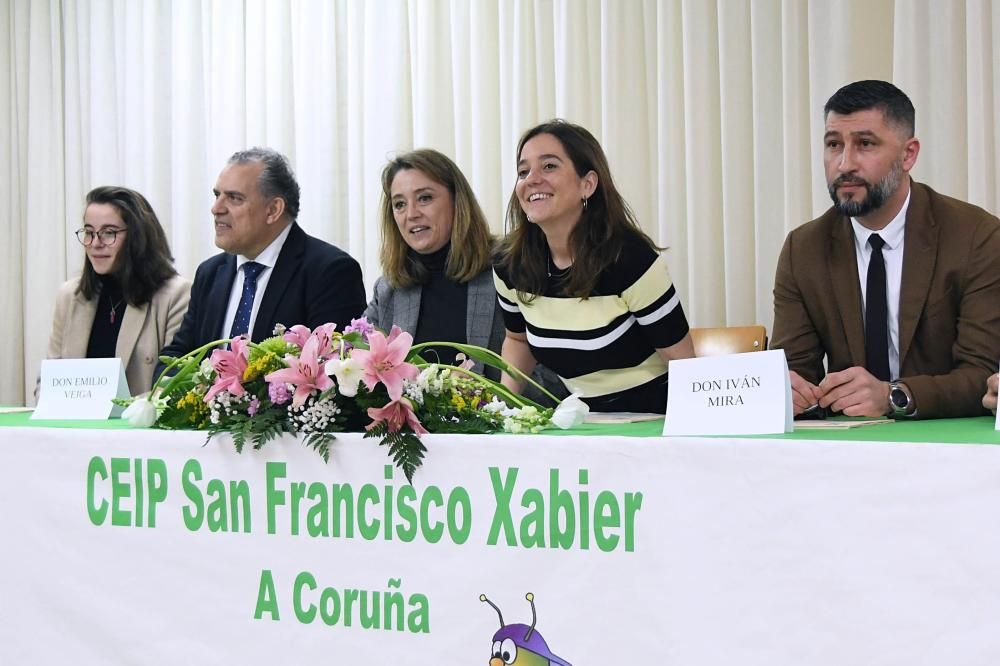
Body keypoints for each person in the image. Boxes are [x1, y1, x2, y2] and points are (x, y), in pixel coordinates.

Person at [772, 80, 1000, 419]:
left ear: (908, 154)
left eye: (865, 144)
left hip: (945, 442)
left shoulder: (976, 236)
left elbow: (983, 374)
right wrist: (789, 391)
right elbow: (795, 368)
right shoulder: (803, 248)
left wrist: (893, 396)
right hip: (845, 448)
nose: (845, 163)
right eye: (833, 145)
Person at [493, 119, 694, 414]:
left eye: (549, 166)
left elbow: (684, 364)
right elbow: (517, 340)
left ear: (587, 184)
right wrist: (503, 410)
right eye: (523, 171)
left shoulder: (631, 259)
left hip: (655, 418)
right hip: (581, 420)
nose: (531, 179)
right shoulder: (508, 263)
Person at [156, 147, 366, 384]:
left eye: (234, 198)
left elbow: (330, 373)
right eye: (217, 195)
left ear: (273, 210)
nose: (216, 209)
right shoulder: (210, 273)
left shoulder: (330, 271)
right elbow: (176, 358)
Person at [364, 149, 501, 374]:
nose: (411, 214)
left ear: (457, 201)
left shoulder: (507, 269)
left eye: (424, 198)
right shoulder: (389, 288)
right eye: (399, 204)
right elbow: (357, 361)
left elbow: (546, 371)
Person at [45, 186, 191, 395]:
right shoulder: (69, 295)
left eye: (109, 233)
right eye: (89, 232)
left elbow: (173, 386)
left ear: (137, 237)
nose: (95, 243)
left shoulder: (176, 294)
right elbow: (49, 381)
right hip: (74, 426)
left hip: (137, 425)